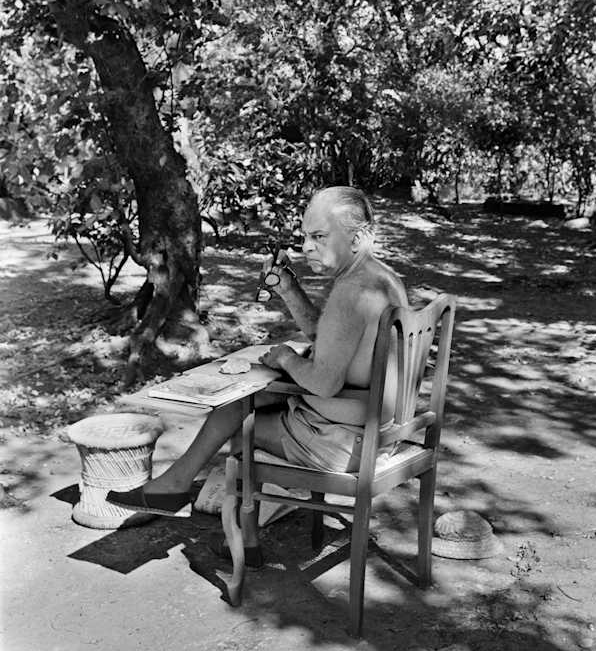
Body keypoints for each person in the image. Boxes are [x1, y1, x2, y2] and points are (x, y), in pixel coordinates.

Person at [108, 186, 408, 535]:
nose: (306, 247)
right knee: (244, 402)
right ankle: (174, 487)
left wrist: (285, 358)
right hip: (377, 433)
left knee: (240, 430)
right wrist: (287, 287)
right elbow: (334, 339)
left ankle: (238, 534)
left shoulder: (352, 292)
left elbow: (324, 383)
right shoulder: (379, 278)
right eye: (305, 237)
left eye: (320, 236)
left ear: (356, 238)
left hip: (343, 445)